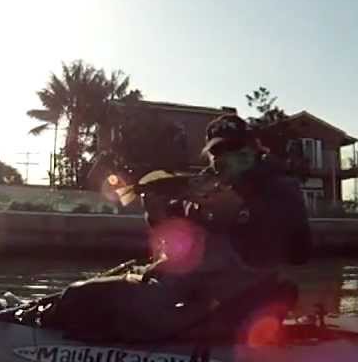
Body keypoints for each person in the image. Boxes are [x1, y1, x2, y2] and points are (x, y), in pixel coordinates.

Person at [48, 113, 310, 343]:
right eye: (217, 152)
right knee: (80, 295)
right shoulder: (206, 185)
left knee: (84, 300)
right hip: (183, 287)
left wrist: (243, 215)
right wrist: (156, 215)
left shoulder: (279, 188)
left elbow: (299, 252)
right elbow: (175, 239)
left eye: (235, 149)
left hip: (226, 299)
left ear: (252, 149)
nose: (224, 158)